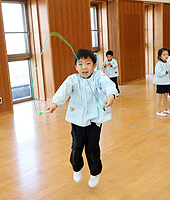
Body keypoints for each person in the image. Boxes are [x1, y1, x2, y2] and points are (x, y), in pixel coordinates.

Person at [46, 49, 119, 188]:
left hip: (94, 119)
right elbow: (63, 91)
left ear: (94, 65)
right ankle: (77, 167)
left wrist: (111, 96)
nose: (84, 67)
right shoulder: (73, 79)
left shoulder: (99, 76)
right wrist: (55, 103)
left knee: (92, 147)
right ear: (75, 67)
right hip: (77, 119)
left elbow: (109, 85)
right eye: (80, 64)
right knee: (77, 146)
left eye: (88, 63)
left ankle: (95, 172)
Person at [153, 48, 170, 117]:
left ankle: (165, 109)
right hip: (161, 83)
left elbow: (169, 69)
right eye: (164, 55)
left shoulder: (167, 63)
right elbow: (159, 73)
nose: (166, 56)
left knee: (165, 96)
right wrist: (167, 72)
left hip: (167, 82)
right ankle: (158, 110)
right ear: (160, 56)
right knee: (159, 97)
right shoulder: (159, 64)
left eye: (167, 54)